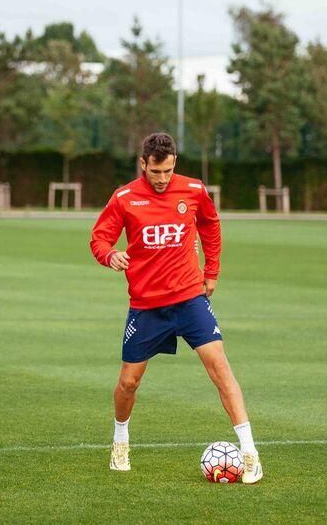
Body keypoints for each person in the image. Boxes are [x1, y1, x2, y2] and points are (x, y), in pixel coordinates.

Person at [90, 132, 263, 483]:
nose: (162, 179)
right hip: (147, 306)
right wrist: (111, 255)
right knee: (128, 383)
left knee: (220, 368)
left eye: (168, 171)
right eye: (156, 172)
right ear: (143, 164)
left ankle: (249, 453)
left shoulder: (194, 190)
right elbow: (99, 237)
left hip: (189, 299)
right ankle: (120, 440)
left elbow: (211, 227)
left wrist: (211, 271)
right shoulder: (124, 198)